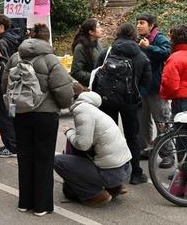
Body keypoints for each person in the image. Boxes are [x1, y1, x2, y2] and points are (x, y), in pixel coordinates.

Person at [2, 23, 74, 215]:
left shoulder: (15, 57)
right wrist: (62, 104)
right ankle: (41, 205)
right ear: (47, 39)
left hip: (21, 113)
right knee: (43, 158)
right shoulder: (51, 60)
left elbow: (4, 85)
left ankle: (24, 202)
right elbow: (64, 92)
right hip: (46, 115)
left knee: (24, 157)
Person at [54, 84, 132, 207]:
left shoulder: (82, 110)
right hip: (125, 169)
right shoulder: (93, 109)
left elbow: (83, 145)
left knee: (58, 161)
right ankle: (115, 188)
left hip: (112, 173)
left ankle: (93, 195)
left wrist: (69, 132)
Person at [95, 23, 152, 185]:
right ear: (134, 36)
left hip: (107, 101)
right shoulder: (140, 56)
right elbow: (146, 81)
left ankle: (110, 171)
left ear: (118, 34)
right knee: (132, 137)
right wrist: (137, 93)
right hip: (131, 103)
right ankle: (135, 173)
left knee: (108, 136)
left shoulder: (107, 53)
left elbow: (96, 73)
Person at [136, 14, 171, 164]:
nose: (138, 26)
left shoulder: (159, 38)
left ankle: (168, 154)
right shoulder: (138, 39)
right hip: (142, 88)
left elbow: (168, 53)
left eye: (142, 23)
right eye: (137, 23)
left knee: (161, 121)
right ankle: (146, 149)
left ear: (151, 25)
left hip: (156, 89)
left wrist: (149, 47)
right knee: (143, 121)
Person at [0, 13, 23, 159]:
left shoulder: (2, 43)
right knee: (11, 115)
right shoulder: (15, 38)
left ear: (1, 27)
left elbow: (1, 65)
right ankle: (13, 144)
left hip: (6, 84)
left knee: (4, 116)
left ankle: (11, 147)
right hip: (16, 82)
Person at [160, 25, 187, 116]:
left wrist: (164, 95)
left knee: (178, 128)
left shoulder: (175, 58)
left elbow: (170, 83)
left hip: (180, 99)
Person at [70, 19, 104, 87]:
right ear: (91, 32)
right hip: (89, 87)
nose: (101, 29)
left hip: (100, 84)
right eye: (98, 27)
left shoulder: (97, 43)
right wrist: (94, 77)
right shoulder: (80, 48)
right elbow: (76, 72)